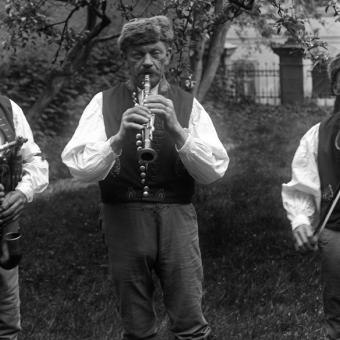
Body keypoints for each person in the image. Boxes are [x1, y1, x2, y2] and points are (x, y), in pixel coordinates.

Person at [62, 15, 229, 340]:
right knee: (137, 323)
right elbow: (79, 168)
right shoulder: (104, 102)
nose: (148, 62)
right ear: (125, 59)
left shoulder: (187, 105)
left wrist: (178, 132)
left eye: (155, 52)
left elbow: (213, 171)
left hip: (176, 215)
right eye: (138, 55)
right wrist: (118, 139)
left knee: (189, 316)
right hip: (122, 215)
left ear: (168, 55)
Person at [282, 53, 340, 339]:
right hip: (336, 231)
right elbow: (301, 184)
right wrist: (301, 220)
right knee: (337, 309)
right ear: (336, 87)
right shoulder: (319, 134)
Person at [0, 95, 49, 340]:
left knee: (7, 321)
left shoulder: (7, 109)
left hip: (3, 232)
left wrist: (21, 193)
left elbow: (36, 162)